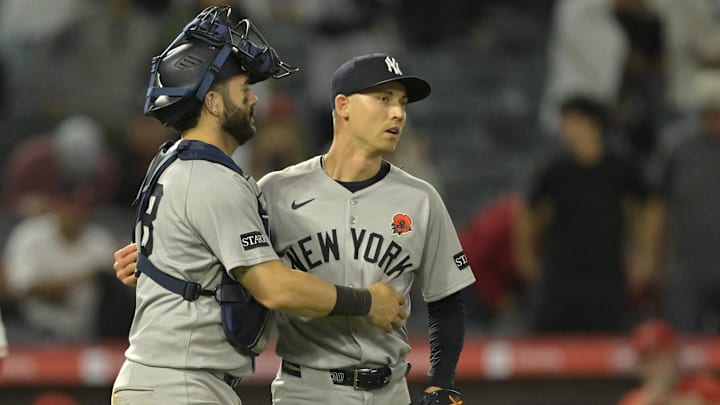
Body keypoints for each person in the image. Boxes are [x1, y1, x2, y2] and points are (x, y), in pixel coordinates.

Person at [115, 52, 474, 404]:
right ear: (343, 106)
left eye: (403, 103)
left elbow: (446, 298)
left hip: (391, 387)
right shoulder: (273, 191)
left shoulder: (422, 198)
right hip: (306, 388)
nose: (397, 112)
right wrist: (152, 258)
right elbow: (241, 263)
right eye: (383, 99)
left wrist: (440, 382)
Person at [516, 94, 657, 333]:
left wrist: (646, 254)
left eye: (570, 122)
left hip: (606, 274)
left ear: (592, 124)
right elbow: (527, 212)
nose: (564, 130)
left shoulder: (619, 167)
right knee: (550, 340)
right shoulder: (555, 170)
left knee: (606, 341)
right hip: (560, 273)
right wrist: (525, 256)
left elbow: (650, 206)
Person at [617, 319, 720, 405]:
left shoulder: (704, 387)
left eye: (658, 359)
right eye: (647, 360)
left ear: (674, 355)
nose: (654, 368)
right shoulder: (633, 399)